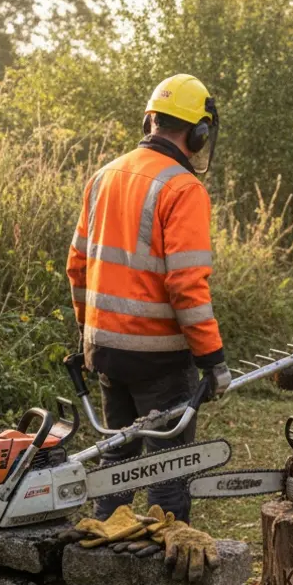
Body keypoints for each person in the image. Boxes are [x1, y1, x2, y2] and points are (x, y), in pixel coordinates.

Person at [66, 74, 229, 524]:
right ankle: (165, 572)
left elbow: (76, 266)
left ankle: (100, 549)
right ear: (198, 134)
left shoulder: (104, 176)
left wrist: (87, 334)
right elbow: (186, 287)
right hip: (158, 360)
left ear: (150, 120)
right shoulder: (183, 188)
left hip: (104, 352)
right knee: (168, 472)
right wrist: (213, 359)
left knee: (115, 464)